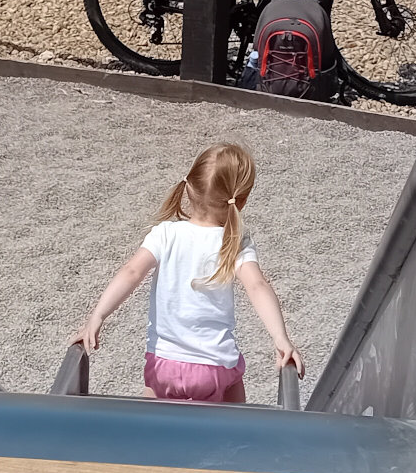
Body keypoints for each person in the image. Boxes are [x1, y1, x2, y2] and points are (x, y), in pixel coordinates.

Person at [71, 143, 304, 403]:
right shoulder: (234, 241)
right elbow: (257, 286)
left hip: (163, 365)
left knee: (154, 410)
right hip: (214, 367)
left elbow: (131, 272)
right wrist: (280, 337)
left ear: (189, 187)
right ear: (242, 201)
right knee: (234, 406)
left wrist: (97, 317)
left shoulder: (165, 234)